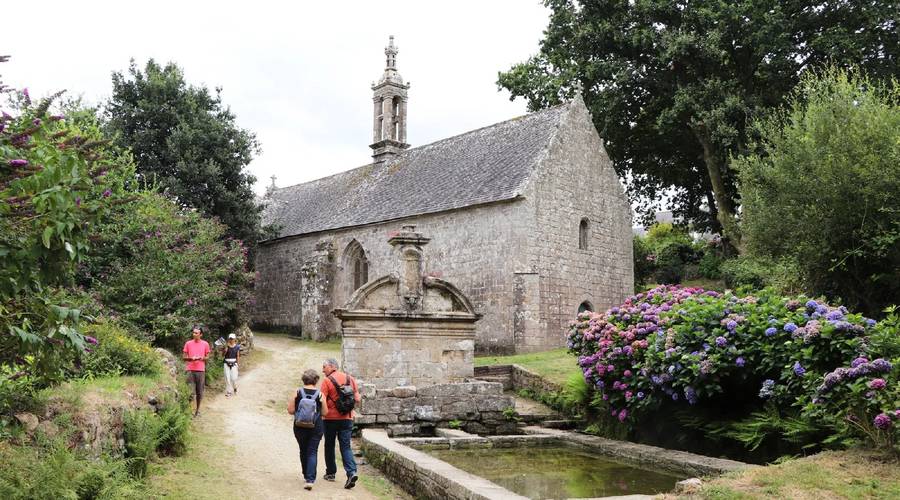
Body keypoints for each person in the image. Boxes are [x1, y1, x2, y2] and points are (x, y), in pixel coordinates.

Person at [320, 358, 360, 489]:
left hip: (330, 419)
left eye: (324, 367)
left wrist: (321, 414)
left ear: (332, 366)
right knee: (346, 446)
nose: (322, 370)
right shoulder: (350, 379)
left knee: (329, 445)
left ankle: (331, 473)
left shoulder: (326, 381)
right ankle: (351, 472)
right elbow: (357, 399)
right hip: (347, 418)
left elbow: (322, 400)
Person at [287, 369, 325, 490]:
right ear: (316, 380)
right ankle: (310, 479)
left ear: (303, 379)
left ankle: (305, 473)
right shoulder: (320, 394)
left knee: (303, 449)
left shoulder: (297, 392)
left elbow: (290, 410)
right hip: (316, 426)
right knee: (312, 451)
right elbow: (325, 412)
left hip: (299, 426)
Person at [182, 325, 211, 417]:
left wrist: (202, 358)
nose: (194, 334)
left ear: (201, 334)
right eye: (193, 332)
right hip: (190, 370)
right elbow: (184, 357)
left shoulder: (205, 344)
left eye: (196, 333)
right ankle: (188, 411)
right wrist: (191, 358)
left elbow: (208, 357)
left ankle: (197, 410)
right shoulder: (188, 343)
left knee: (199, 392)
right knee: (190, 392)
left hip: (200, 370)